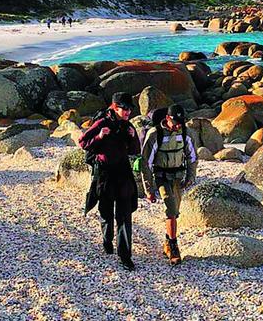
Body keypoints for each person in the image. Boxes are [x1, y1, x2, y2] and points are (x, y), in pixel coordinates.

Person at [79, 92, 140, 271]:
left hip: (123, 173)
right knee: (106, 212)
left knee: (124, 216)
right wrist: (99, 136)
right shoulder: (102, 123)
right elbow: (83, 142)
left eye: (130, 109)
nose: (128, 112)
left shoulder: (128, 125)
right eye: (125, 108)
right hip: (104, 174)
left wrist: (133, 136)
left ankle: (125, 256)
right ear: (115, 107)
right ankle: (107, 240)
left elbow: (135, 150)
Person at [140, 104, 197, 265]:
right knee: (171, 210)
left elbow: (192, 157)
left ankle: (167, 240)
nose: (179, 125)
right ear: (167, 119)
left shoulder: (185, 133)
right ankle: (173, 246)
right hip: (161, 177)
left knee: (176, 211)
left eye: (181, 122)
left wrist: (190, 177)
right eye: (176, 122)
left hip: (178, 177)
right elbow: (146, 163)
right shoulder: (155, 135)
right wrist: (149, 189)